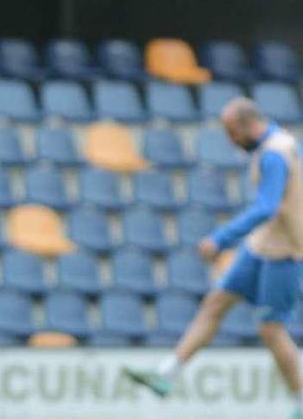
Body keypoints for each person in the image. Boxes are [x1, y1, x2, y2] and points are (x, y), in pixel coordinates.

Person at [124, 98, 303, 419]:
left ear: (249, 125)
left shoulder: (275, 154)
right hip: (262, 244)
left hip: (285, 252)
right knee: (216, 302)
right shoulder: (283, 144)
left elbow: (267, 207)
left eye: (232, 132)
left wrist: (220, 239)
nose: (230, 140)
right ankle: (167, 373)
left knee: (270, 328)